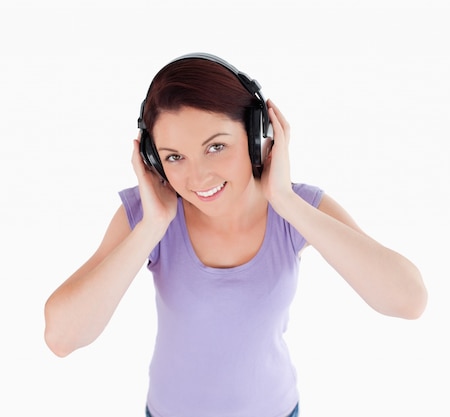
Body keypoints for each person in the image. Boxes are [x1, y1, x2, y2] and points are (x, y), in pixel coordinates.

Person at [44, 52, 428, 417]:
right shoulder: (147, 215)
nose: (198, 178)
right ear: (152, 159)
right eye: (174, 156)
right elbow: (61, 338)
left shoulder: (298, 208)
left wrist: (284, 200)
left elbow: (408, 301)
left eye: (216, 147)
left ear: (257, 135)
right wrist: (152, 227)